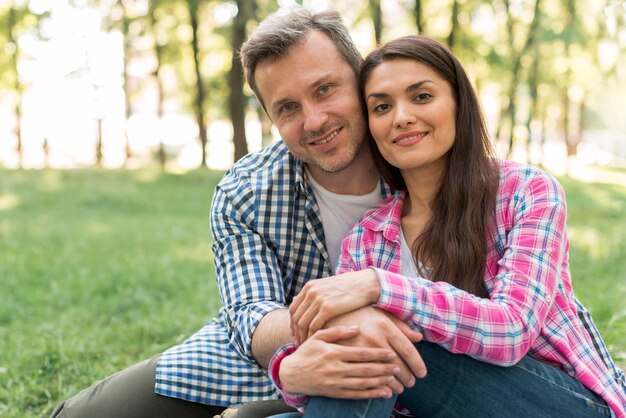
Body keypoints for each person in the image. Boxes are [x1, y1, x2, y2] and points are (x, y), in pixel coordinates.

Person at [50, 7, 427, 418]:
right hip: (257, 362)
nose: (314, 120)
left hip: (399, 373)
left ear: (360, 78)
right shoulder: (246, 190)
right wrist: (340, 327)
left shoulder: (424, 162)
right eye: (287, 108)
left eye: (324, 90)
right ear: (269, 116)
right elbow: (251, 314)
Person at [267, 35, 626, 417]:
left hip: (559, 403)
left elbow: (511, 331)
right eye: (382, 106)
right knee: (360, 354)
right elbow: (337, 362)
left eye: (421, 97)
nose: (401, 116)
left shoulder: (527, 191)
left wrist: (380, 286)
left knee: (380, 340)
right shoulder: (368, 236)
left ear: (458, 103)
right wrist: (289, 371)